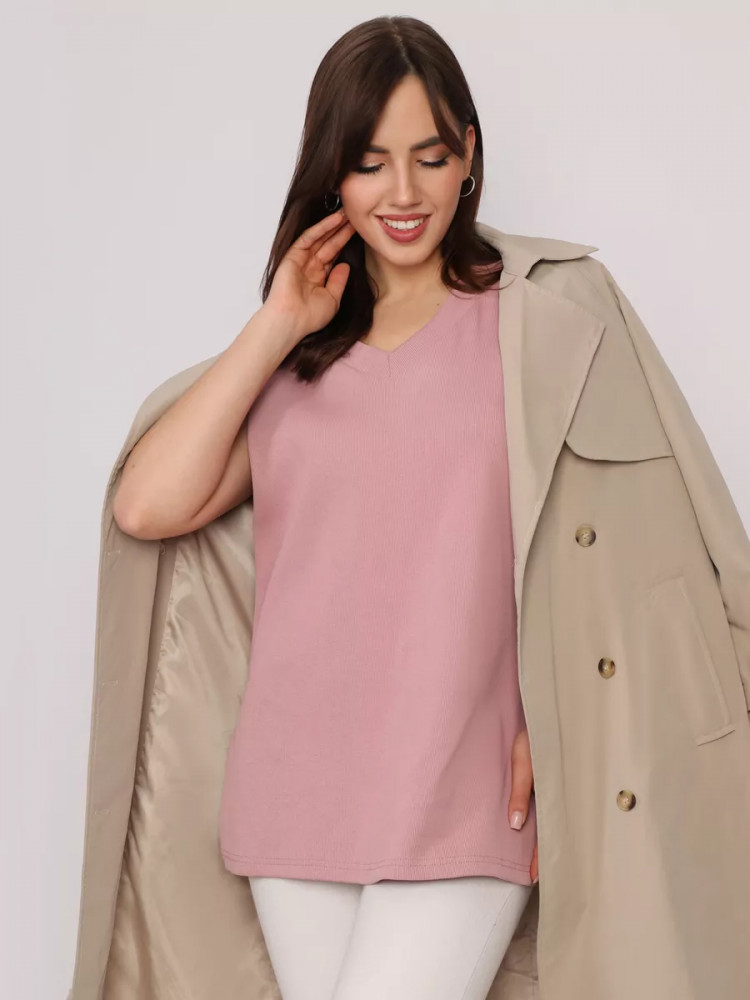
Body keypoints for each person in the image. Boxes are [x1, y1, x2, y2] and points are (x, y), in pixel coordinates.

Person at [111, 15, 540, 1000]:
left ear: (469, 154)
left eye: (430, 156)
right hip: (296, 784)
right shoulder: (299, 359)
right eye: (369, 163)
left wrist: (560, 715)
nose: (403, 193)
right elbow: (146, 503)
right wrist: (278, 323)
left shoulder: (533, 326)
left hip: (466, 780)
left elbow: (614, 550)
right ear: (331, 174)